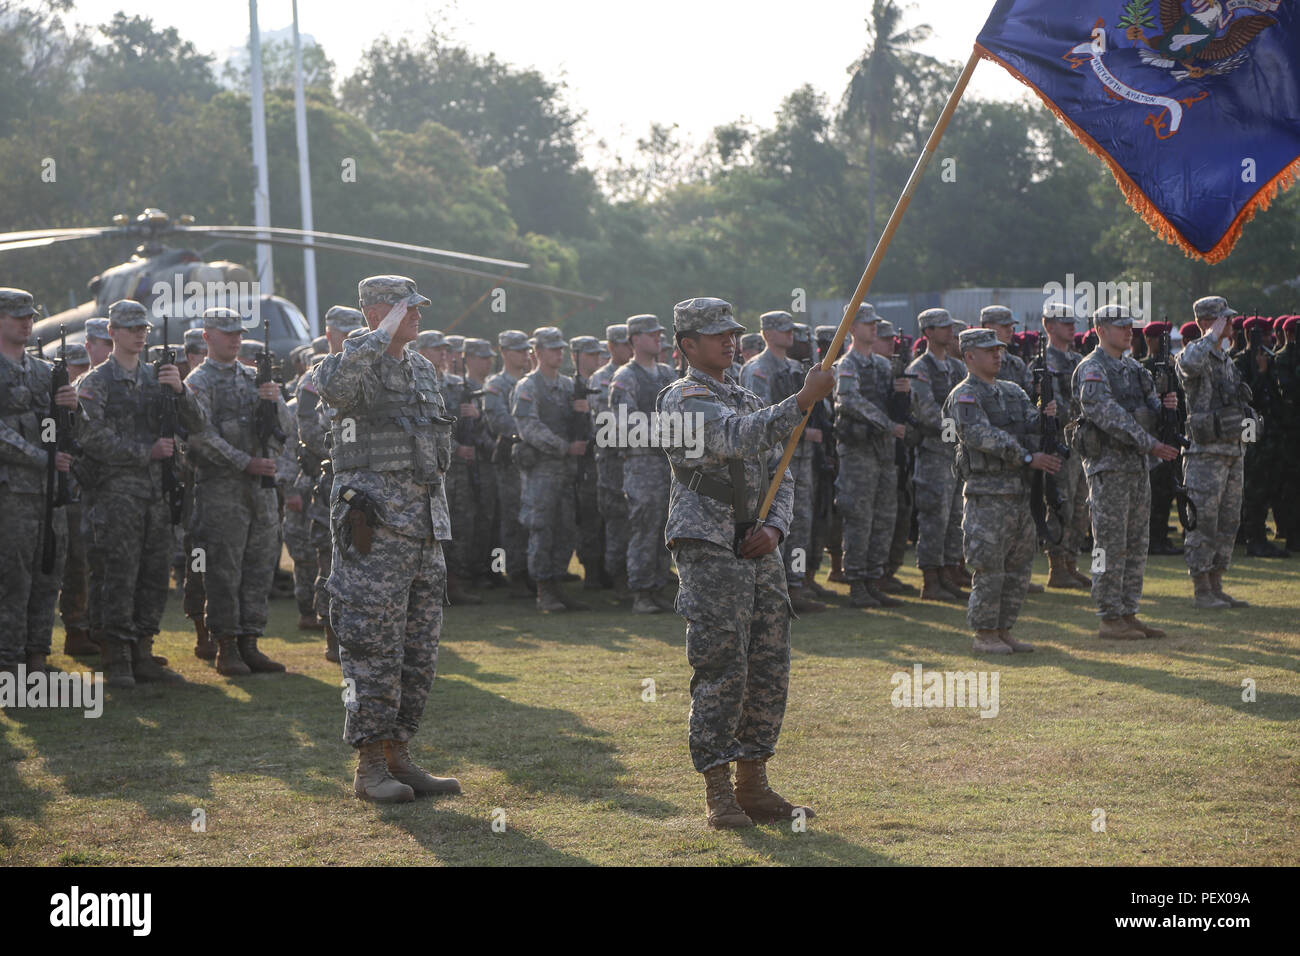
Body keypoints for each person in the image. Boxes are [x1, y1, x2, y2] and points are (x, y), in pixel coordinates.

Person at [660, 296, 833, 829]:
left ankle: (754, 782)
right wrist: (802, 400)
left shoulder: (749, 395)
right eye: (717, 335)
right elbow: (734, 438)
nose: (730, 342)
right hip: (709, 545)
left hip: (760, 545)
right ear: (688, 345)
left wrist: (777, 527)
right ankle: (718, 789)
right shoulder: (682, 397)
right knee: (721, 664)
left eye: (733, 333)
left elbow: (784, 466)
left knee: (768, 664)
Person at [316, 275, 461, 803]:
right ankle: (369, 766)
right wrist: (376, 339)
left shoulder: (421, 367)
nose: (418, 315)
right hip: (374, 533)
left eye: (418, 307)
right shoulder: (355, 357)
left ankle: (400, 755)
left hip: (424, 530)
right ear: (377, 313)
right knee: (371, 648)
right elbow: (330, 387)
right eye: (406, 308)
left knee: (417, 652)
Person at [77, 298, 203, 686]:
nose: (139, 333)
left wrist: (180, 390)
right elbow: (89, 436)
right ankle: (116, 656)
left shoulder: (158, 378)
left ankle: (142, 650)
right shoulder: (95, 382)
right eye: (131, 328)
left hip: (158, 494)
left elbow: (197, 424)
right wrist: (142, 452)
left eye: (143, 328)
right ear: (111, 333)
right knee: (119, 571)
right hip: (118, 494)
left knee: (153, 573)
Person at [185, 307, 291, 676]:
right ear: (207, 336)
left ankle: (251, 641)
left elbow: (286, 429)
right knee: (224, 569)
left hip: (260, 490)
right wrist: (243, 461)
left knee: (259, 565)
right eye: (226, 332)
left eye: (238, 333)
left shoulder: (254, 378)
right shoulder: (198, 383)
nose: (235, 339)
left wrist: (274, 399)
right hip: (222, 489)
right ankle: (225, 644)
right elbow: (199, 435)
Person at [946, 328, 1062, 654]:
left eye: (998, 349)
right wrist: (1026, 456)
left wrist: (1046, 416)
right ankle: (984, 634)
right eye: (989, 350)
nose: (998, 355)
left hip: (1020, 492)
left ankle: (1003, 628)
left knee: (1019, 566)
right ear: (970, 357)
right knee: (989, 566)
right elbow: (978, 434)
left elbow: (1030, 422)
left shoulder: (1011, 391)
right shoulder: (965, 395)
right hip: (987, 494)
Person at [1072, 304, 1179, 639]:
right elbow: (1106, 414)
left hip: (1136, 467)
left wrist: (1167, 408)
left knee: (1136, 542)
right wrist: (1149, 442)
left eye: (1130, 326)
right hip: (1109, 468)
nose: (1128, 331)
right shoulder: (1092, 369)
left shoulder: (1135, 369)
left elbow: (1151, 408)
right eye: (1120, 326)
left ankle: (1128, 611)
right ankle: (1108, 614)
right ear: (1100, 329)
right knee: (1108, 544)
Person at [0, 288, 78, 676]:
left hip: (48, 492)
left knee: (48, 573)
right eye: (17, 316)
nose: (27, 322)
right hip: (10, 491)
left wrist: (71, 409)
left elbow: (67, 433)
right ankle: (8, 661)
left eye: (29, 315)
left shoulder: (45, 372)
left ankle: (36, 656)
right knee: (11, 578)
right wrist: (39, 457)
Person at [741, 310, 826, 612]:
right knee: (774, 521)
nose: (790, 334)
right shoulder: (757, 370)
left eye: (791, 329)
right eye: (782, 329)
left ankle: (797, 581)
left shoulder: (796, 368)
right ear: (766, 333)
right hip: (774, 458)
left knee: (801, 521)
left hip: (802, 458)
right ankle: (775, 586)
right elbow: (759, 419)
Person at [297, 305, 365, 662]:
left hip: (365, 487)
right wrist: (344, 447)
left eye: (357, 329)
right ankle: (330, 637)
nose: (351, 336)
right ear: (329, 335)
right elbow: (307, 429)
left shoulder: (368, 372)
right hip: (330, 485)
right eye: (344, 331)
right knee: (330, 563)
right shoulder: (314, 378)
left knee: (364, 558)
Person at [1177, 296, 1254, 608]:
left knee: (1228, 521)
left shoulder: (1226, 359)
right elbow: (1187, 365)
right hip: (1204, 455)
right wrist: (1210, 335)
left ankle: (1217, 583)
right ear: (1209, 321)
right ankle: (1201, 589)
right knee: (1203, 522)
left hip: (1232, 451)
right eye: (1225, 319)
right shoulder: (1193, 354)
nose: (1231, 324)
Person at [511, 326, 591, 612]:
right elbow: (529, 427)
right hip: (542, 470)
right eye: (553, 348)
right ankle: (543, 589)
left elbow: (579, 424)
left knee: (566, 528)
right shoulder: (528, 387)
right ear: (538, 352)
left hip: (567, 471)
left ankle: (557, 584)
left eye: (561, 348)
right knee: (541, 528)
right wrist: (563, 446)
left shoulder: (569, 386)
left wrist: (583, 411)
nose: (559, 353)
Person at [832, 304, 907, 609]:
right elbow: (848, 400)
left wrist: (903, 394)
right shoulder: (846, 365)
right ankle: (856, 582)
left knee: (884, 516)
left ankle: (875, 578)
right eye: (866, 323)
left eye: (875, 323)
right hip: (858, 452)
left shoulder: (882, 365)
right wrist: (887, 424)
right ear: (851, 328)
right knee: (859, 517)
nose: (873, 328)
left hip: (884, 452)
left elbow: (893, 403)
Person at [610, 315, 677, 613]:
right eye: (651, 334)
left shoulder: (667, 373)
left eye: (659, 334)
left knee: (667, 527)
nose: (657, 339)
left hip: (669, 464)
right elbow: (625, 424)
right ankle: (640, 591)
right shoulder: (626, 377)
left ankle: (659, 585)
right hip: (642, 465)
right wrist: (668, 433)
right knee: (644, 528)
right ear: (635, 339)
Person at [907, 308, 967, 601]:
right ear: (928, 332)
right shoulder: (919, 369)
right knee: (935, 516)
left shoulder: (957, 369)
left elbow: (968, 403)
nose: (950, 332)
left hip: (955, 454)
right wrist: (962, 429)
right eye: (943, 328)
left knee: (955, 516)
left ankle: (948, 571)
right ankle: (930, 580)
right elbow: (928, 413)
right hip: (933, 454)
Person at [1038, 303, 1092, 589]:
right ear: (1049, 326)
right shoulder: (1042, 361)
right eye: (1065, 322)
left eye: (1073, 322)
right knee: (1061, 506)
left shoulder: (1078, 361)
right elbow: (1048, 408)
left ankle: (1071, 563)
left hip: (1080, 445)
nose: (1072, 326)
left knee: (1082, 507)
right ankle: (1056, 566)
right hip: (1058, 446)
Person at [483, 330, 532, 592]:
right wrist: (531, 432)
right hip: (509, 462)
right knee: (513, 519)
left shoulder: (531, 382)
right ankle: (516, 573)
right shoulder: (496, 386)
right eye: (519, 350)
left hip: (532, 461)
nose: (525, 355)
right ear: (503, 352)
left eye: (527, 350)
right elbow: (499, 421)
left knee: (533, 518)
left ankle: (532, 569)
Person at [590, 323, 632, 597]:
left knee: (639, 520)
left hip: (637, 460)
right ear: (610, 347)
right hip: (613, 462)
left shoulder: (635, 375)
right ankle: (617, 577)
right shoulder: (601, 379)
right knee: (617, 519)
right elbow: (606, 421)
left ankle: (640, 574)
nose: (627, 349)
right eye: (621, 344)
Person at [1139, 321, 1186, 555]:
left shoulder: (1175, 366)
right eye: (1160, 337)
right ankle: (1152, 539)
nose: (1165, 342)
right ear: (1149, 340)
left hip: (1171, 436)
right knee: (1154, 492)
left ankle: (1161, 537)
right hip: (1151, 438)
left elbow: (1183, 402)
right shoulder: (1143, 367)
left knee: (1168, 490)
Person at [463, 337, 503, 589]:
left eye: (490, 357)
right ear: (468, 359)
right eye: (482, 357)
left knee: (495, 518)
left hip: (493, 463)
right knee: (477, 519)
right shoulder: (462, 388)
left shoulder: (491, 388)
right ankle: (475, 570)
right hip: (474, 465)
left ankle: (494, 569)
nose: (488, 362)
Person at [569, 335, 608, 588]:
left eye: (597, 354)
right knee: (587, 517)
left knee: (602, 514)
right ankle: (591, 570)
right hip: (579, 464)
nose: (596, 358)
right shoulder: (568, 387)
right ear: (575, 356)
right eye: (589, 354)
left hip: (600, 460)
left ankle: (604, 568)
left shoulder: (604, 383)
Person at [981, 306, 1032, 395]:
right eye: (1005, 326)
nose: (1010, 330)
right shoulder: (975, 362)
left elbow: (1030, 396)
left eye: (1011, 326)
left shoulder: (1016, 364)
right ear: (987, 327)